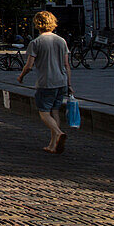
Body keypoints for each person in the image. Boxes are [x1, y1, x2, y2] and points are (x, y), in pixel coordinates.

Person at [17, 11, 73, 155]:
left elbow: (29, 65)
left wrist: (21, 76)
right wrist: (69, 84)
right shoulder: (61, 41)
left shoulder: (35, 42)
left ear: (38, 24)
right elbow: (67, 65)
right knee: (55, 111)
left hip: (46, 82)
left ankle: (58, 133)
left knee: (44, 113)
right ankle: (53, 144)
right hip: (61, 82)